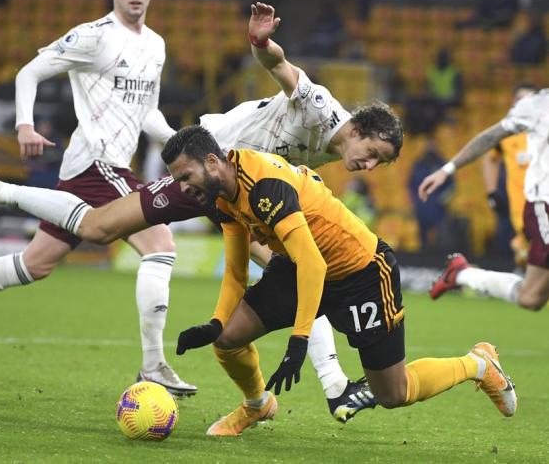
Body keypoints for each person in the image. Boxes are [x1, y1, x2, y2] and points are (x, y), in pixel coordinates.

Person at [0, 2, 403, 422]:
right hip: (211, 167)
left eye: (380, 162)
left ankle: (296, 394)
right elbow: (280, 67)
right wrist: (260, 42)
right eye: (372, 151)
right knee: (99, 227)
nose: (370, 164)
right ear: (358, 127)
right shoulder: (323, 108)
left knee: (297, 266)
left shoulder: (326, 154)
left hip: (243, 192)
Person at [0, 0, 197, 397]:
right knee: (161, 245)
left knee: (35, 264)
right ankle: (153, 366)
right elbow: (30, 72)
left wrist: (181, 144)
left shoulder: (156, 45)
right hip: (98, 165)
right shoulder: (94, 37)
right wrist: (25, 124)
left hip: (97, 170)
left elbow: (147, 113)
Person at [162, 126, 515, 436]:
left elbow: (313, 263)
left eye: (184, 176)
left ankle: (478, 364)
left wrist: (299, 341)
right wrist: (216, 322)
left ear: (211, 162)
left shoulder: (262, 186)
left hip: (360, 272)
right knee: (227, 339)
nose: (181, 187)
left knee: (394, 393)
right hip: (299, 264)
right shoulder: (223, 197)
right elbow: (237, 270)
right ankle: (257, 404)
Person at [419, 87, 549, 311]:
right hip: (544, 206)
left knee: (531, 298)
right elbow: (490, 137)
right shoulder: (538, 105)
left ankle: (463, 274)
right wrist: (446, 170)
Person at [482, 85, 535, 264]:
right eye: (520, 99)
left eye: (529, 100)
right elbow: (490, 158)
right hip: (517, 209)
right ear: (513, 104)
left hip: (542, 206)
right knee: (526, 262)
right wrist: (492, 191)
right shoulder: (506, 132)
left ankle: (463, 275)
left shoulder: (543, 131)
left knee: (531, 264)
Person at [407, 139, 454, 251]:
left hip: (439, 209)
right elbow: (411, 184)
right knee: (422, 237)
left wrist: (442, 200)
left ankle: (440, 258)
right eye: (428, 146)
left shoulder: (443, 165)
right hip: (422, 206)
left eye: (433, 146)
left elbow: (451, 186)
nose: (430, 149)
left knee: (441, 237)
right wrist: (415, 200)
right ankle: (423, 258)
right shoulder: (418, 164)